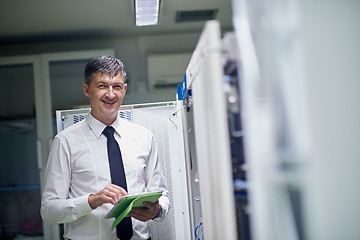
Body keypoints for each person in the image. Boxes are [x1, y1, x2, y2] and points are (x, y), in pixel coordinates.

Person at [41, 56, 170, 240]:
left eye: (117, 86)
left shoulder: (144, 136)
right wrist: (91, 201)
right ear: (86, 89)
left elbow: (162, 194)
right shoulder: (65, 141)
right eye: (102, 86)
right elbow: (49, 211)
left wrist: (157, 210)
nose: (110, 94)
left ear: (124, 90)